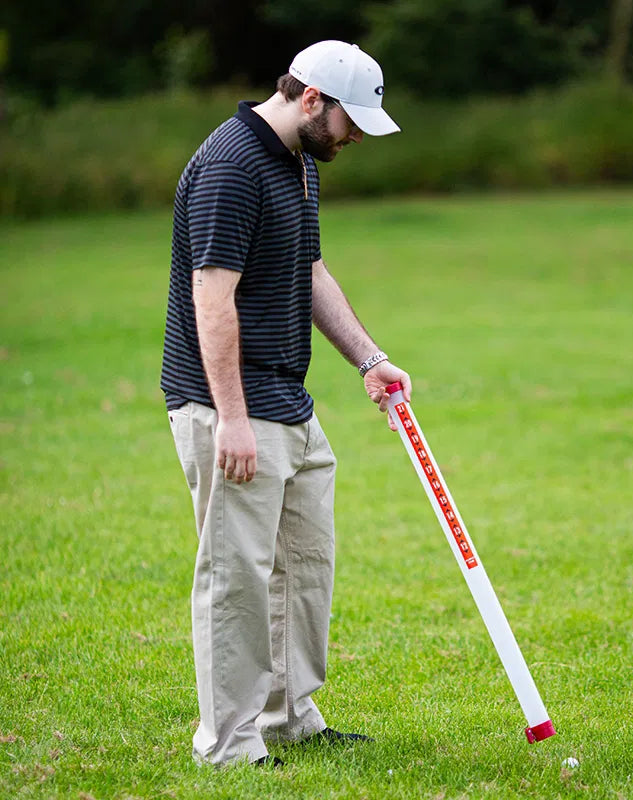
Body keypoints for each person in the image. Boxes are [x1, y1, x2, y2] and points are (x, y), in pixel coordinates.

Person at [160, 40, 412, 768]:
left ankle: (290, 717)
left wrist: (369, 359)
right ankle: (229, 744)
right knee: (236, 577)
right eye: (350, 120)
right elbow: (213, 301)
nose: (356, 135)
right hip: (229, 408)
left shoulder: (299, 162)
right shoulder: (232, 168)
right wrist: (232, 418)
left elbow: (308, 268)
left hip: (288, 400)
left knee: (305, 564)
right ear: (310, 99)